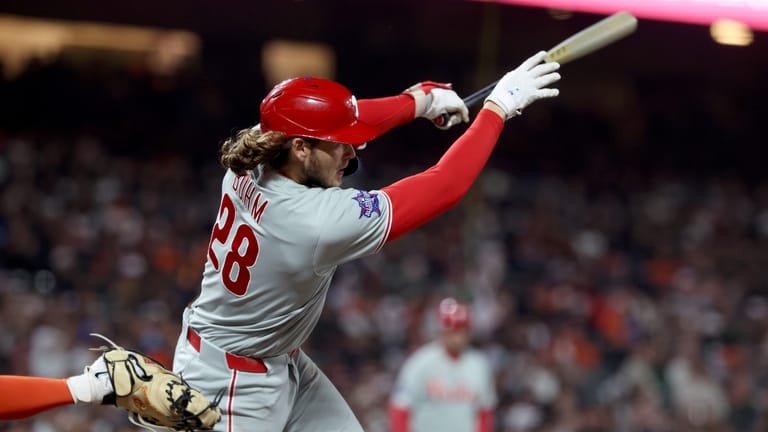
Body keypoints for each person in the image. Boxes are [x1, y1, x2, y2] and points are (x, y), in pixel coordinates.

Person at [172, 50, 561, 431]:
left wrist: (419, 102)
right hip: (232, 387)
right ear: (301, 148)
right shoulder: (314, 221)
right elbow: (446, 186)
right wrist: (497, 108)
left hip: (270, 357)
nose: (351, 151)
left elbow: (349, 117)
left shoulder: (259, 148)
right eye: (337, 143)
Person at [388, 298, 497, 432]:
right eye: (453, 331)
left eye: (462, 331)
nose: (458, 338)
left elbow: (485, 411)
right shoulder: (420, 363)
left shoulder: (479, 365)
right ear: (442, 331)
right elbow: (400, 408)